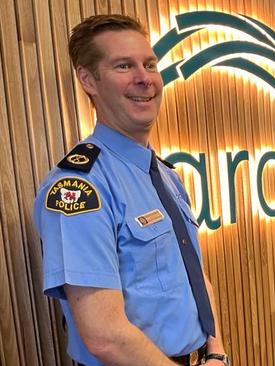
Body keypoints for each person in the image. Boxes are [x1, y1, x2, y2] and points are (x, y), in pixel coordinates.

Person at [33, 14, 229, 366]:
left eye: (149, 64)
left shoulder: (166, 175)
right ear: (88, 79)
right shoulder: (78, 189)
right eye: (124, 66)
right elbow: (104, 335)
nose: (144, 78)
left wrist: (216, 351)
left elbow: (194, 275)